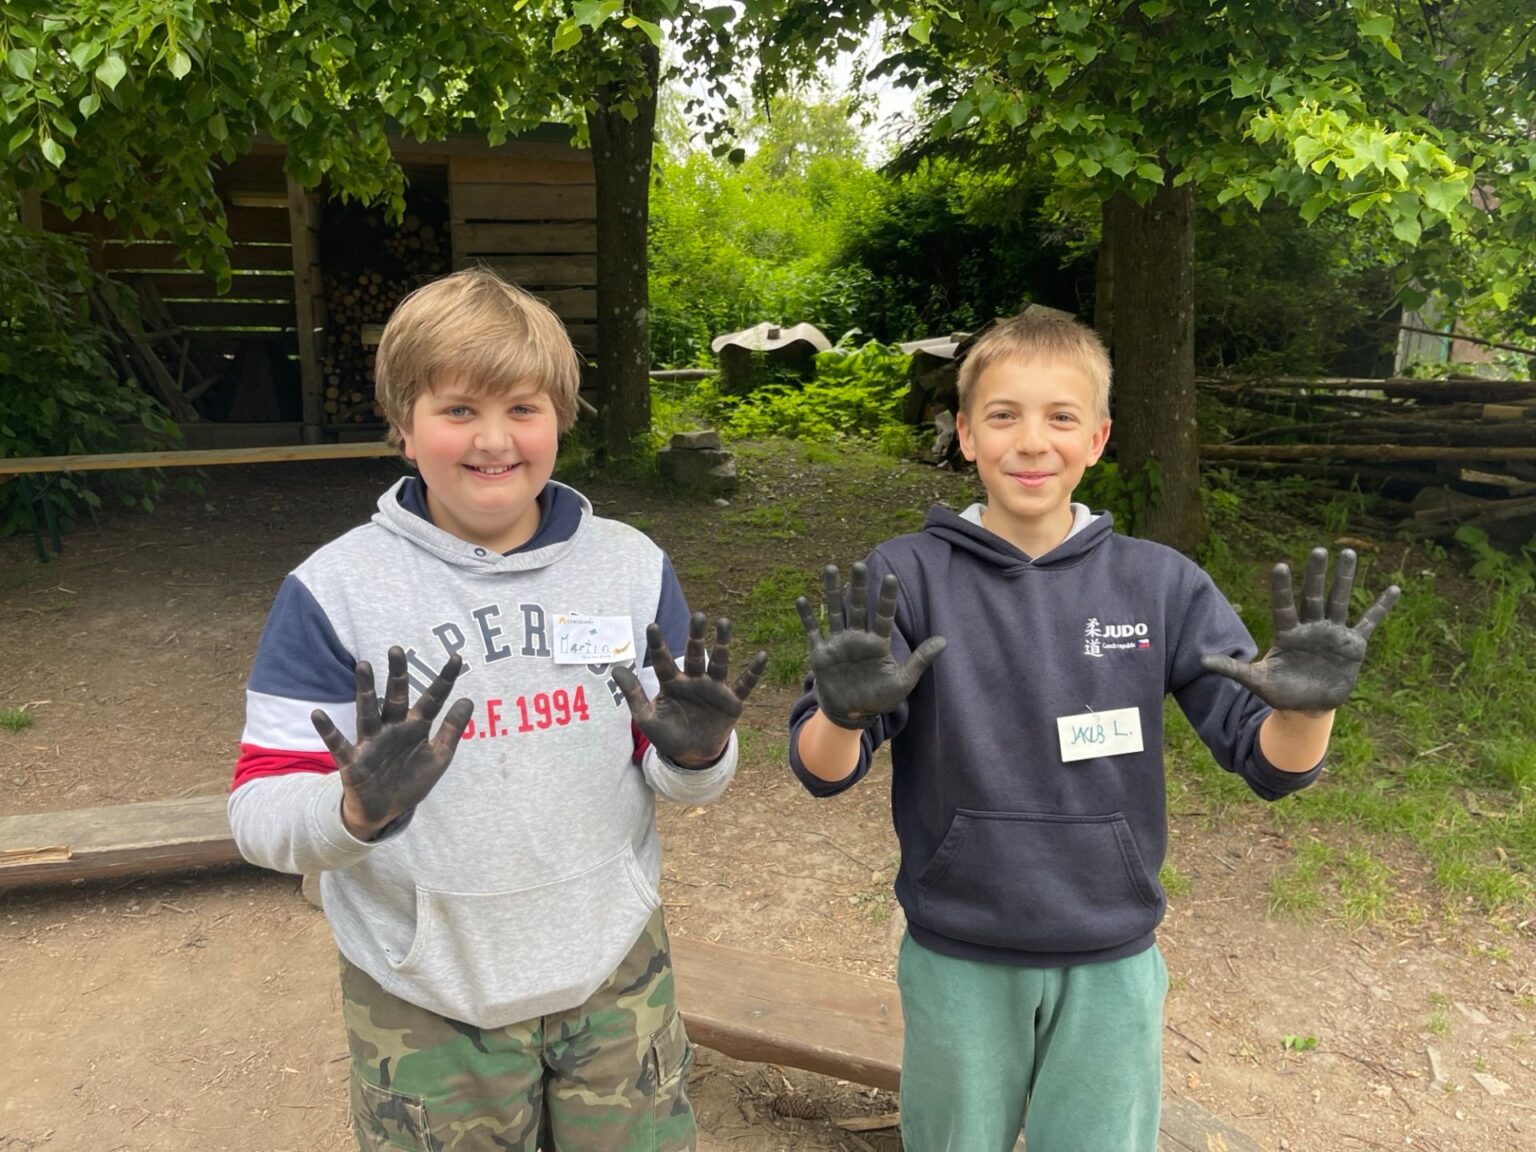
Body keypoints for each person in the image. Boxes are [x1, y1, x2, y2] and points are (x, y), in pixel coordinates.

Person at [787, 310, 1398, 1152]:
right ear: (964, 433)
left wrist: (1307, 710)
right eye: (1004, 415)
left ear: (1099, 438)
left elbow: (1269, 763)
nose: (1032, 441)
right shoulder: (907, 575)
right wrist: (842, 713)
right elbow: (824, 769)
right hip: (960, 947)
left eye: (1061, 416)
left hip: (1111, 953)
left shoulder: (1160, 583)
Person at [230, 267, 766, 1152]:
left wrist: (700, 758)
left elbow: (677, 773)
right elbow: (257, 811)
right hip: (426, 998)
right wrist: (354, 811)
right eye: (457, 409)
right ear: (403, 427)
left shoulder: (630, 568)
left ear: (560, 419)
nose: (493, 439)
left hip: (614, 974)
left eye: (522, 407)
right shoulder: (334, 592)